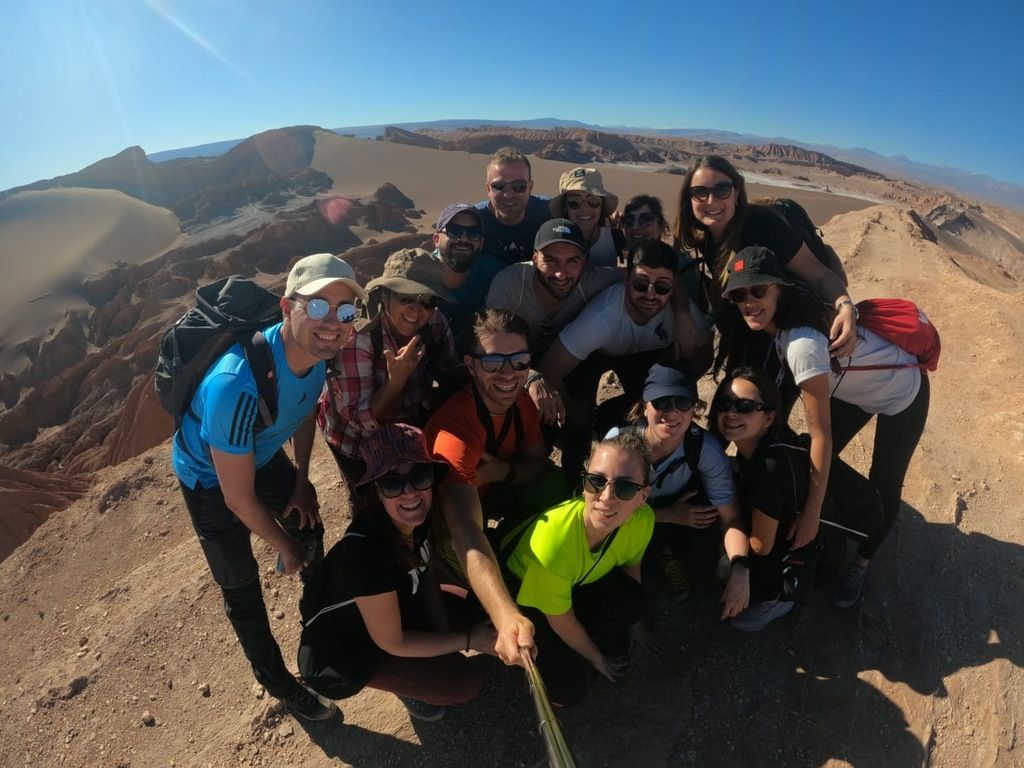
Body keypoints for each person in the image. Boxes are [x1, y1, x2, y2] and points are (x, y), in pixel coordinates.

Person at [172, 252, 365, 721]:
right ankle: (280, 684)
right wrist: (283, 546)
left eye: (345, 311)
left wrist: (301, 481)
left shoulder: (319, 354)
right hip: (209, 482)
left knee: (310, 524)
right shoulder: (235, 386)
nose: (333, 323)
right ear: (286, 308)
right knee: (243, 593)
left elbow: (299, 413)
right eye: (318, 306)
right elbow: (237, 499)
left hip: (257, 455)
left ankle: (318, 622)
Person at [718, 247, 929, 606]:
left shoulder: (801, 346)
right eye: (739, 295)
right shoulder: (782, 326)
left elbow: (821, 435)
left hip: (903, 394)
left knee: (884, 482)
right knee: (817, 467)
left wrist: (811, 513)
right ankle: (832, 527)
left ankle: (861, 560)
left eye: (759, 291)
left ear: (779, 289)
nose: (749, 302)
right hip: (856, 392)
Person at [297, 424, 496, 722]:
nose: (410, 492)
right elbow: (394, 642)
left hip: (397, 608)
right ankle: (411, 689)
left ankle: (428, 666)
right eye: (392, 483)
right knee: (464, 681)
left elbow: (427, 573)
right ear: (377, 493)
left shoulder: (417, 519)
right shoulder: (366, 555)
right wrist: (468, 640)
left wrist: (445, 636)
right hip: (352, 650)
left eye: (420, 476)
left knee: (471, 610)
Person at [424, 308, 561, 667]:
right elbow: (464, 530)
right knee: (486, 572)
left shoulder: (520, 403)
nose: (507, 374)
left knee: (556, 488)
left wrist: (501, 472)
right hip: (443, 526)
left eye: (519, 363)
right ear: (470, 365)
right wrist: (505, 614)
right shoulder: (456, 431)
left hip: (492, 490)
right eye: (494, 362)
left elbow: (537, 465)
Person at [538, 238, 710, 483]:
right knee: (580, 412)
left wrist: (674, 389)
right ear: (627, 279)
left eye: (661, 288)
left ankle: (648, 463)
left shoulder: (682, 315)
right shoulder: (600, 318)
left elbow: (705, 354)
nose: (650, 295)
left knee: (664, 398)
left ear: (673, 288)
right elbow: (550, 368)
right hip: (595, 356)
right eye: (640, 284)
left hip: (646, 358)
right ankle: (572, 474)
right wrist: (570, 411)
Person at [504, 432, 655, 706]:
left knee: (633, 602)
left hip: (578, 581)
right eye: (596, 481)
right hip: (530, 594)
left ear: (643, 496)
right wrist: (596, 658)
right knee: (568, 692)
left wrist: (636, 622)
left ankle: (585, 639)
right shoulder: (554, 544)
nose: (606, 497)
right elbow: (560, 620)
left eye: (625, 487)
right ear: (584, 482)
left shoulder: (643, 520)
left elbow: (631, 568)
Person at [672, 154, 858, 362]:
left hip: (791, 327)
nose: (711, 200)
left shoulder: (765, 226)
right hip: (751, 324)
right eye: (700, 192)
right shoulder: (701, 235)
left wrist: (846, 306)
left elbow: (819, 274)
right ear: (689, 198)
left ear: (736, 192)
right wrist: (681, 313)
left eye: (722, 190)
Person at [317, 247, 462, 502]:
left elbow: (452, 371)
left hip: (410, 428)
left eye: (427, 300)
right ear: (385, 295)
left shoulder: (436, 322)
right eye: (405, 297)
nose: (416, 311)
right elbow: (358, 420)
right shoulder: (357, 338)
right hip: (355, 443)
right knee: (371, 503)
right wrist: (397, 381)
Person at [607, 365, 742, 603]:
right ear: (645, 407)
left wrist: (741, 568)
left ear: (694, 409)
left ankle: (670, 555)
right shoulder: (619, 443)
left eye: (682, 402)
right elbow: (599, 511)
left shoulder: (704, 448)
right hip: (624, 513)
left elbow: (730, 515)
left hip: (669, 504)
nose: (672, 413)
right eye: (660, 402)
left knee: (704, 505)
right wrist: (668, 515)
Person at [709, 368, 821, 631]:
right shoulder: (774, 442)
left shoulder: (768, 467)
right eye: (725, 404)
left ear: (769, 416)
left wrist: (731, 527)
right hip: (797, 538)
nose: (731, 413)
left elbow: (761, 547)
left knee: (741, 615)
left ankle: (779, 601)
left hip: (791, 562)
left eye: (745, 406)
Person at [487, 218, 621, 428]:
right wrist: (531, 376)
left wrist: (683, 312)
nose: (561, 273)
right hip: (518, 364)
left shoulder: (593, 281)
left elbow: (645, 276)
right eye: (550, 261)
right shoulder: (509, 285)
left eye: (572, 261)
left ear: (584, 262)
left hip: (568, 363)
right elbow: (489, 346)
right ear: (534, 259)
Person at [429, 202, 507, 340]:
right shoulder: (418, 275)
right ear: (436, 239)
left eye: (473, 233)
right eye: (454, 231)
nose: (463, 239)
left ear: (481, 243)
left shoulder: (495, 272)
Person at [476, 147, 551, 265]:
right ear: (488, 189)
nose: (509, 195)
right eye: (499, 186)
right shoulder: (473, 220)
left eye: (519, 186)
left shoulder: (549, 210)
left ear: (530, 187)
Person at [548, 167, 623, 268]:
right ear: (565, 207)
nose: (585, 208)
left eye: (593, 201)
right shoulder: (553, 237)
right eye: (574, 202)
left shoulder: (614, 231)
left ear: (602, 205)